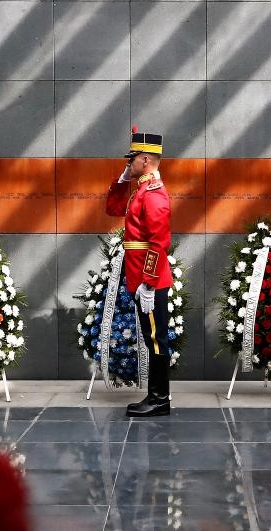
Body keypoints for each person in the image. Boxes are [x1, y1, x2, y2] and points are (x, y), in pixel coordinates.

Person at [106, 128, 173, 417]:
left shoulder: (154, 194)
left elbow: (160, 243)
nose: (128, 164)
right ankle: (157, 398)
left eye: (131, 159)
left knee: (156, 338)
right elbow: (113, 208)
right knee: (151, 336)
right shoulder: (140, 190)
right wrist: (121, 180)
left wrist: (148, 282)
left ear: (144, 160)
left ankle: (160, 400)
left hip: (150, 279)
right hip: (140, 275)